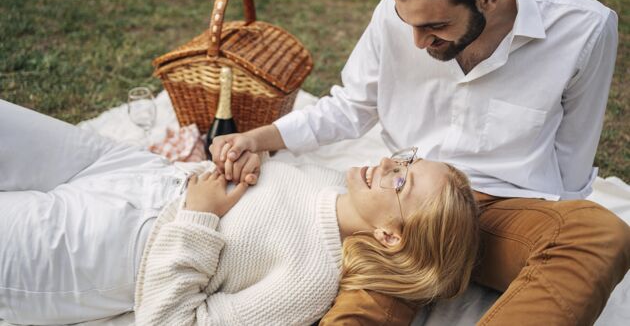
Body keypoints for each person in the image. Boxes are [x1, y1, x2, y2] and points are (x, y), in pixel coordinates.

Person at [209, 0, 630, 324]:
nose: (415, 41)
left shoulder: (583, 29)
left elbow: (572, 158)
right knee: (365, 304)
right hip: (403, 206)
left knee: (601, 236)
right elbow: (351, 105)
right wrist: (258, 138)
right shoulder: (399, 14)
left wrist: (549, 231)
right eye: (405, 21)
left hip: (505, 213)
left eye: (435, 26)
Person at [0, 99, 479, 325]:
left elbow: (172, 322)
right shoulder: (334, 182)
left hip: (110, 246)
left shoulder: (310, 281)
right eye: (409, 160)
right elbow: (271, 193)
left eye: (402, 180)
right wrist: (251, 157)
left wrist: (197, 217)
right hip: (131, 168)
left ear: (390, 236)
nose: (390, 161)